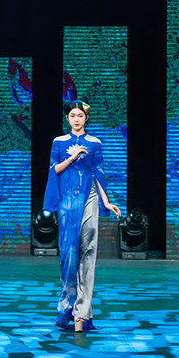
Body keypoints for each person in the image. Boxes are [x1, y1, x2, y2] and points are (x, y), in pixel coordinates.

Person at [42, 101, 121, 332]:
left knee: (88, 252)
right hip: (67, 201)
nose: (76, 119)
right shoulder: (58, 142)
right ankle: (67, 306)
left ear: (86, 118)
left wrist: (106, 202)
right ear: (67, 118)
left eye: (80, 115)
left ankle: (81, 313)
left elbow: (99, 174)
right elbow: (53, 170)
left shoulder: (95, 143)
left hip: (90, 198)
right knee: (68, 254)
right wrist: (72, 157)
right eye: (72, 115)